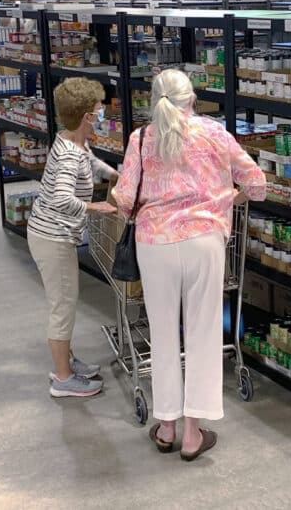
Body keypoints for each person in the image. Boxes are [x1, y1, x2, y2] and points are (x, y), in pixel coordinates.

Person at [112, 69, 266, 460]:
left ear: (154, 100)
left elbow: (125, 199)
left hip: (155, 245)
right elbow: (257, 184)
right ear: (193, 100)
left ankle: (166, 426)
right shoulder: (214, 133)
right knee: (203, 332)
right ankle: (194, 433)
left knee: (162, 334)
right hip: (204, 242)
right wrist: (226, 198)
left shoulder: (140, 138)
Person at [27, 77, 118, 398]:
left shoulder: (72, 141)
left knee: (65, 301)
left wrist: (115, 174)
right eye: (98, 111)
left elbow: (90, 162)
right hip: (53, 239)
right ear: (86, 118)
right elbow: (61, 199)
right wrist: (98, 207)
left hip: (48, 233)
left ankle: (66, 360)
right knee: (63, 305)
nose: (102, 116)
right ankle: (63, 379)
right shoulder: (68, 155)